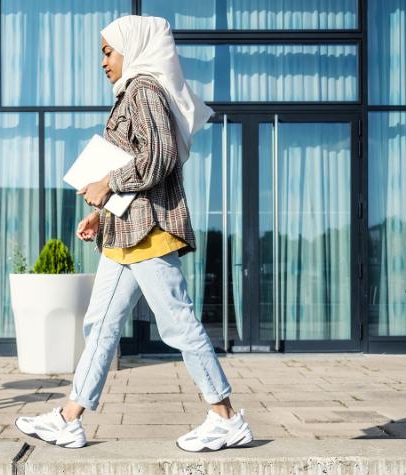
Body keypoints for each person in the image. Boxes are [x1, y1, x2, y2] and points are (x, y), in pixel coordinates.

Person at [14, 15, 253, 452]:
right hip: (124, 232)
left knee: (178, 324)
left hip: (149, 232)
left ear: (134, 47)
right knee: (99, 325)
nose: (103, 62)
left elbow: (160, 156)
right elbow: (139, 165)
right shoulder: (130, 94)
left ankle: (226, 417)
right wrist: (102, 215)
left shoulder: (144, 89)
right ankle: (70, 418)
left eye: (108, 51)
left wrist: (109, 184)